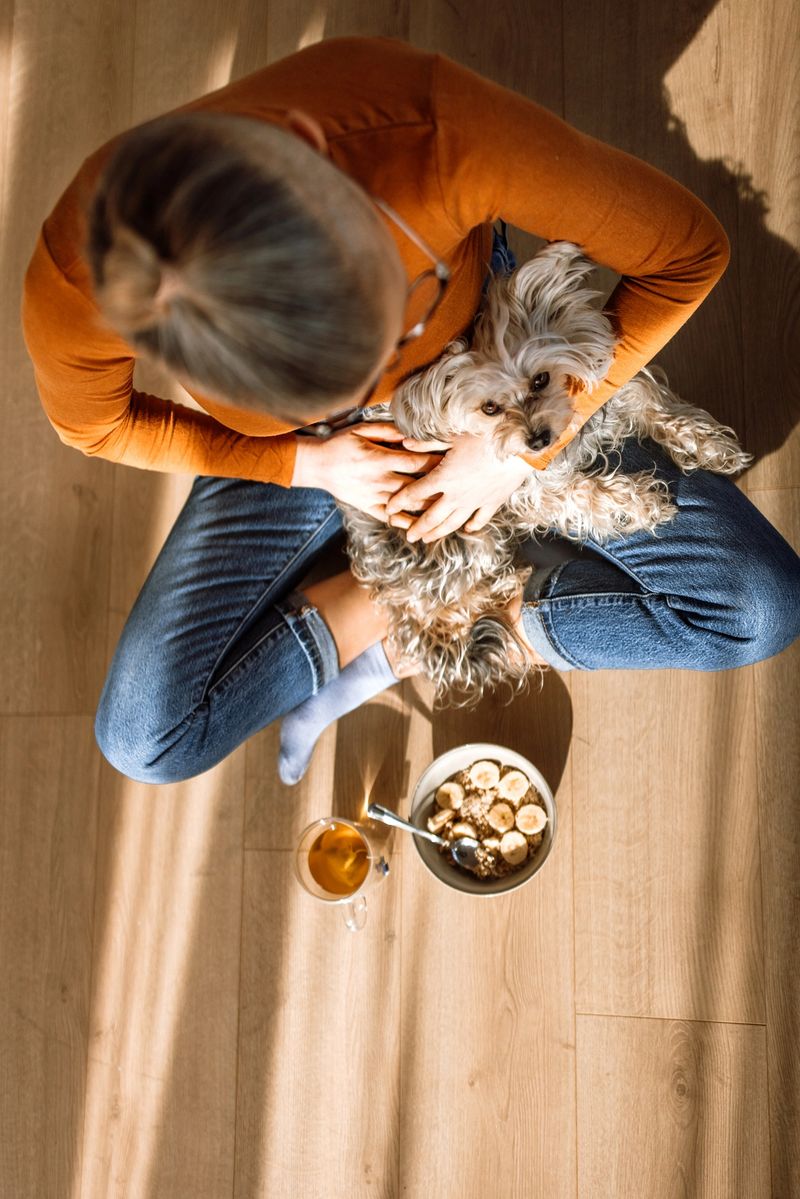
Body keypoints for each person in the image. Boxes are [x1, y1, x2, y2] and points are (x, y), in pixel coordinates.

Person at [21, 36, 800, 786]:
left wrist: (507, 456)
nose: (369, 396)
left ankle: (435, 629)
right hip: (300, 462)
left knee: (762, 608)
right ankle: (394, 616)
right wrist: (298, 457)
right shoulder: (80, 278)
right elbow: (96, 423)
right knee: (142, 739)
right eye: (293, 382)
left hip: (483, 382)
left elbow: (689, 251)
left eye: (391, 324)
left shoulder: (431, 128)